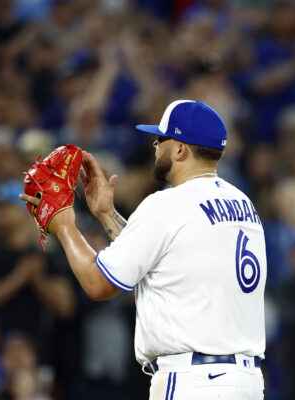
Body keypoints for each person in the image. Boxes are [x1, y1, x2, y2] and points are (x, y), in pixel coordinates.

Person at [20, 100, 266, 399]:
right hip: (244, 381)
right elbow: (163, 258)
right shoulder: (242, 203)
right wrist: (107, 214)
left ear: (180, 149)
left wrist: (64, 225)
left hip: (193, 380)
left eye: (161, 139)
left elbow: (99, 284)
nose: (155, 146)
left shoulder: (167, 204)